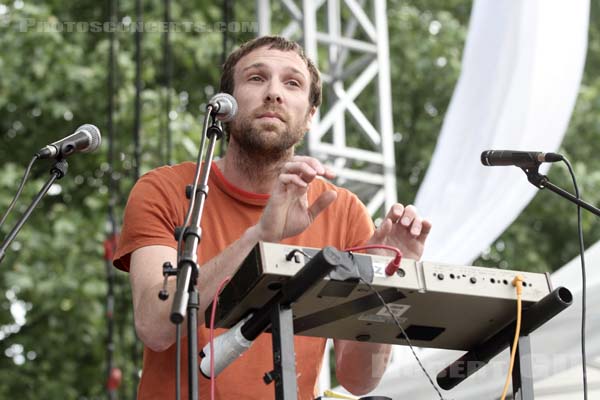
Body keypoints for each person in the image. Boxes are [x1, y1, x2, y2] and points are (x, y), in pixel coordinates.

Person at [113, 35, 432, 400]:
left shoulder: (342, 211)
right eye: (256, 78)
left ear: (311, 115)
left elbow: (360, 380)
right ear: (227, 105)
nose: (274, 93)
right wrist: (259, 236)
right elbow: (155, 325)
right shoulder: (164, 188)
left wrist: (386, 286)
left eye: (292, 83)